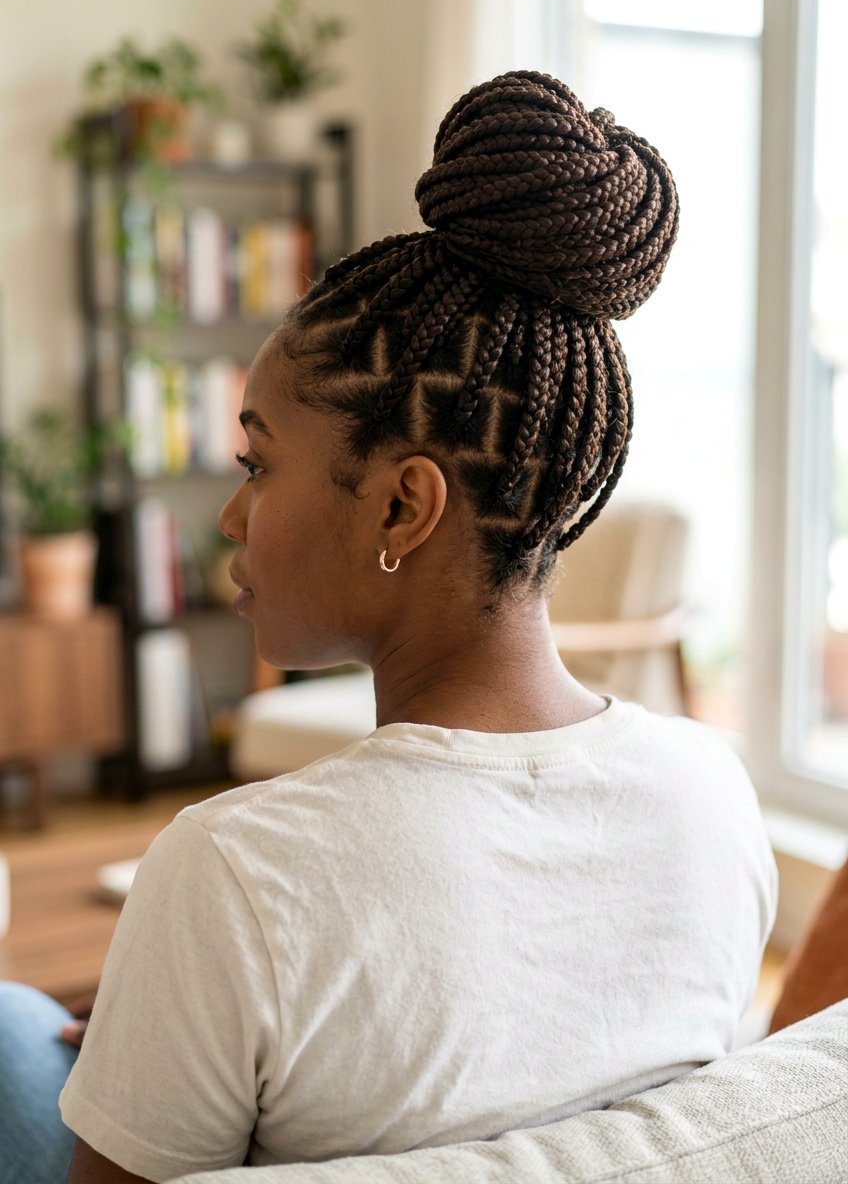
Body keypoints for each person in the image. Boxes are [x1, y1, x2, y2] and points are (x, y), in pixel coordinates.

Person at [0, 71, 776, 1184]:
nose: (229, 514)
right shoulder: (714, 795)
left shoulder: (231, 871)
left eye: (258, 463)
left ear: (402, 506)